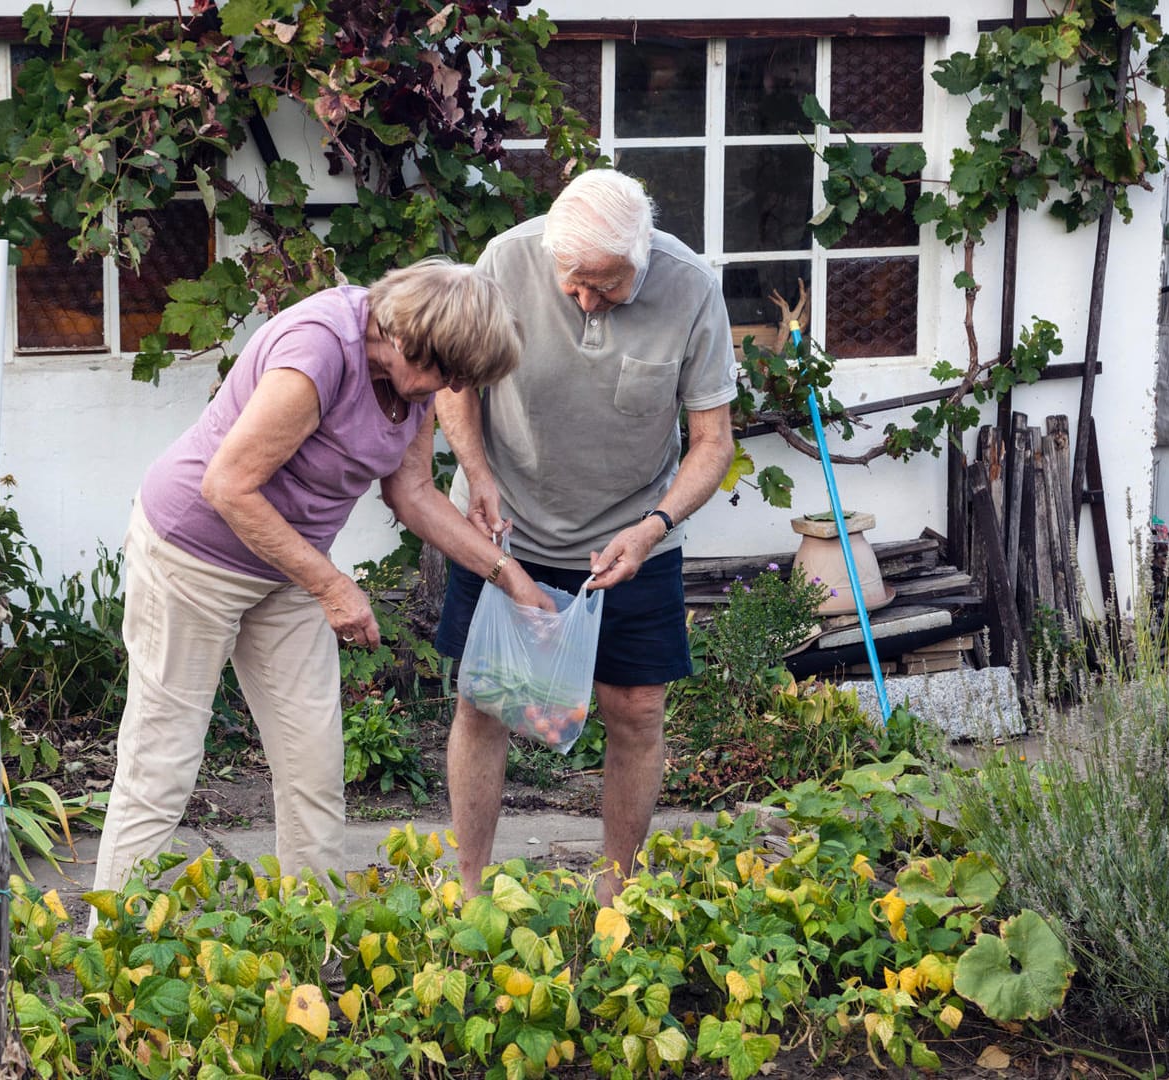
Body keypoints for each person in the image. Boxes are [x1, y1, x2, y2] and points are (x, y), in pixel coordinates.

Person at [93, 258, 553, 894]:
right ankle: (109, 956)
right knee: (161, 765)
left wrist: (510, 577)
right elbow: (227, 485)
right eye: (448, 374)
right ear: (412, 339)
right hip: (193, 559)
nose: (449, 390)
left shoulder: (412, 381)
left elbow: (414, 491)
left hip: (287, 570)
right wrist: (333, 586)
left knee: (314, 766)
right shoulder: (318, 350)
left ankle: (314, 949)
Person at [435, 169, 738, 906]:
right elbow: (451, 385)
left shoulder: (692, 287)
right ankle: (468, 889)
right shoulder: (506, 263)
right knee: (484, 702)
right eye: (571, 280)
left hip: (634, 540)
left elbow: (712, 441)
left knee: (636, 712)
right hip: (507, 527)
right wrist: (476, 473)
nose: (583, 300)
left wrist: (655, 525)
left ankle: (615, 895)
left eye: (604, 284)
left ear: (642, 255)